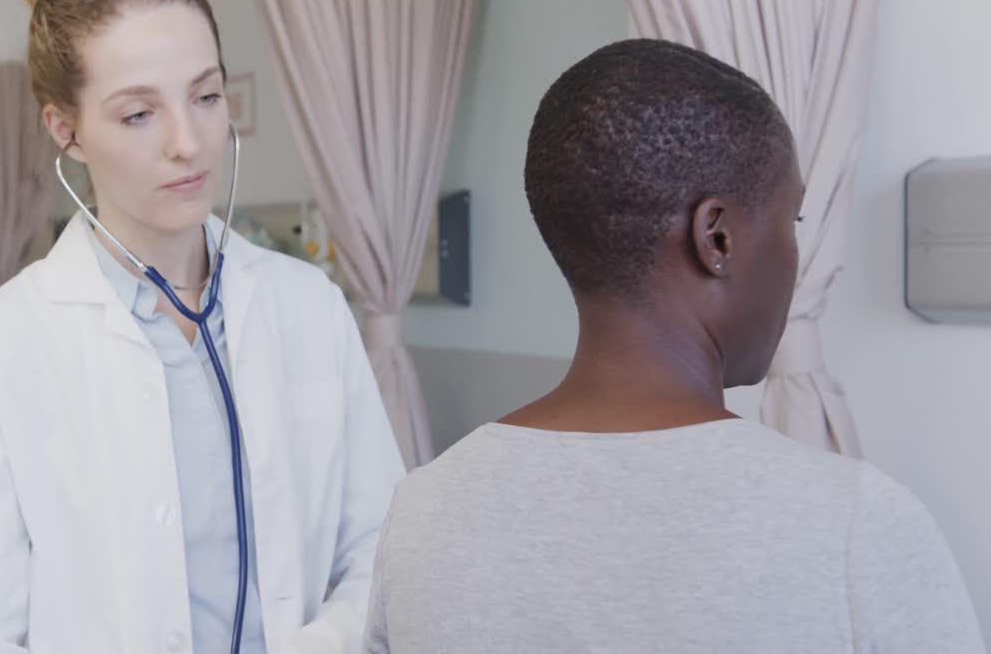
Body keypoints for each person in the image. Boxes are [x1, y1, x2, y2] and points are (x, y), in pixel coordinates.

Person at [364, 39, 985, 653]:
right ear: (716, 238)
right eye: (791, 221)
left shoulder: (424, 514)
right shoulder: (855, 529)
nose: (796, 256)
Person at [0, 0, 404, 651]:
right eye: (138, 114)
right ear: (67, 131)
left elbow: (381, 555)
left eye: (207, 96)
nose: (190, 142)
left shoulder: (308, 308)